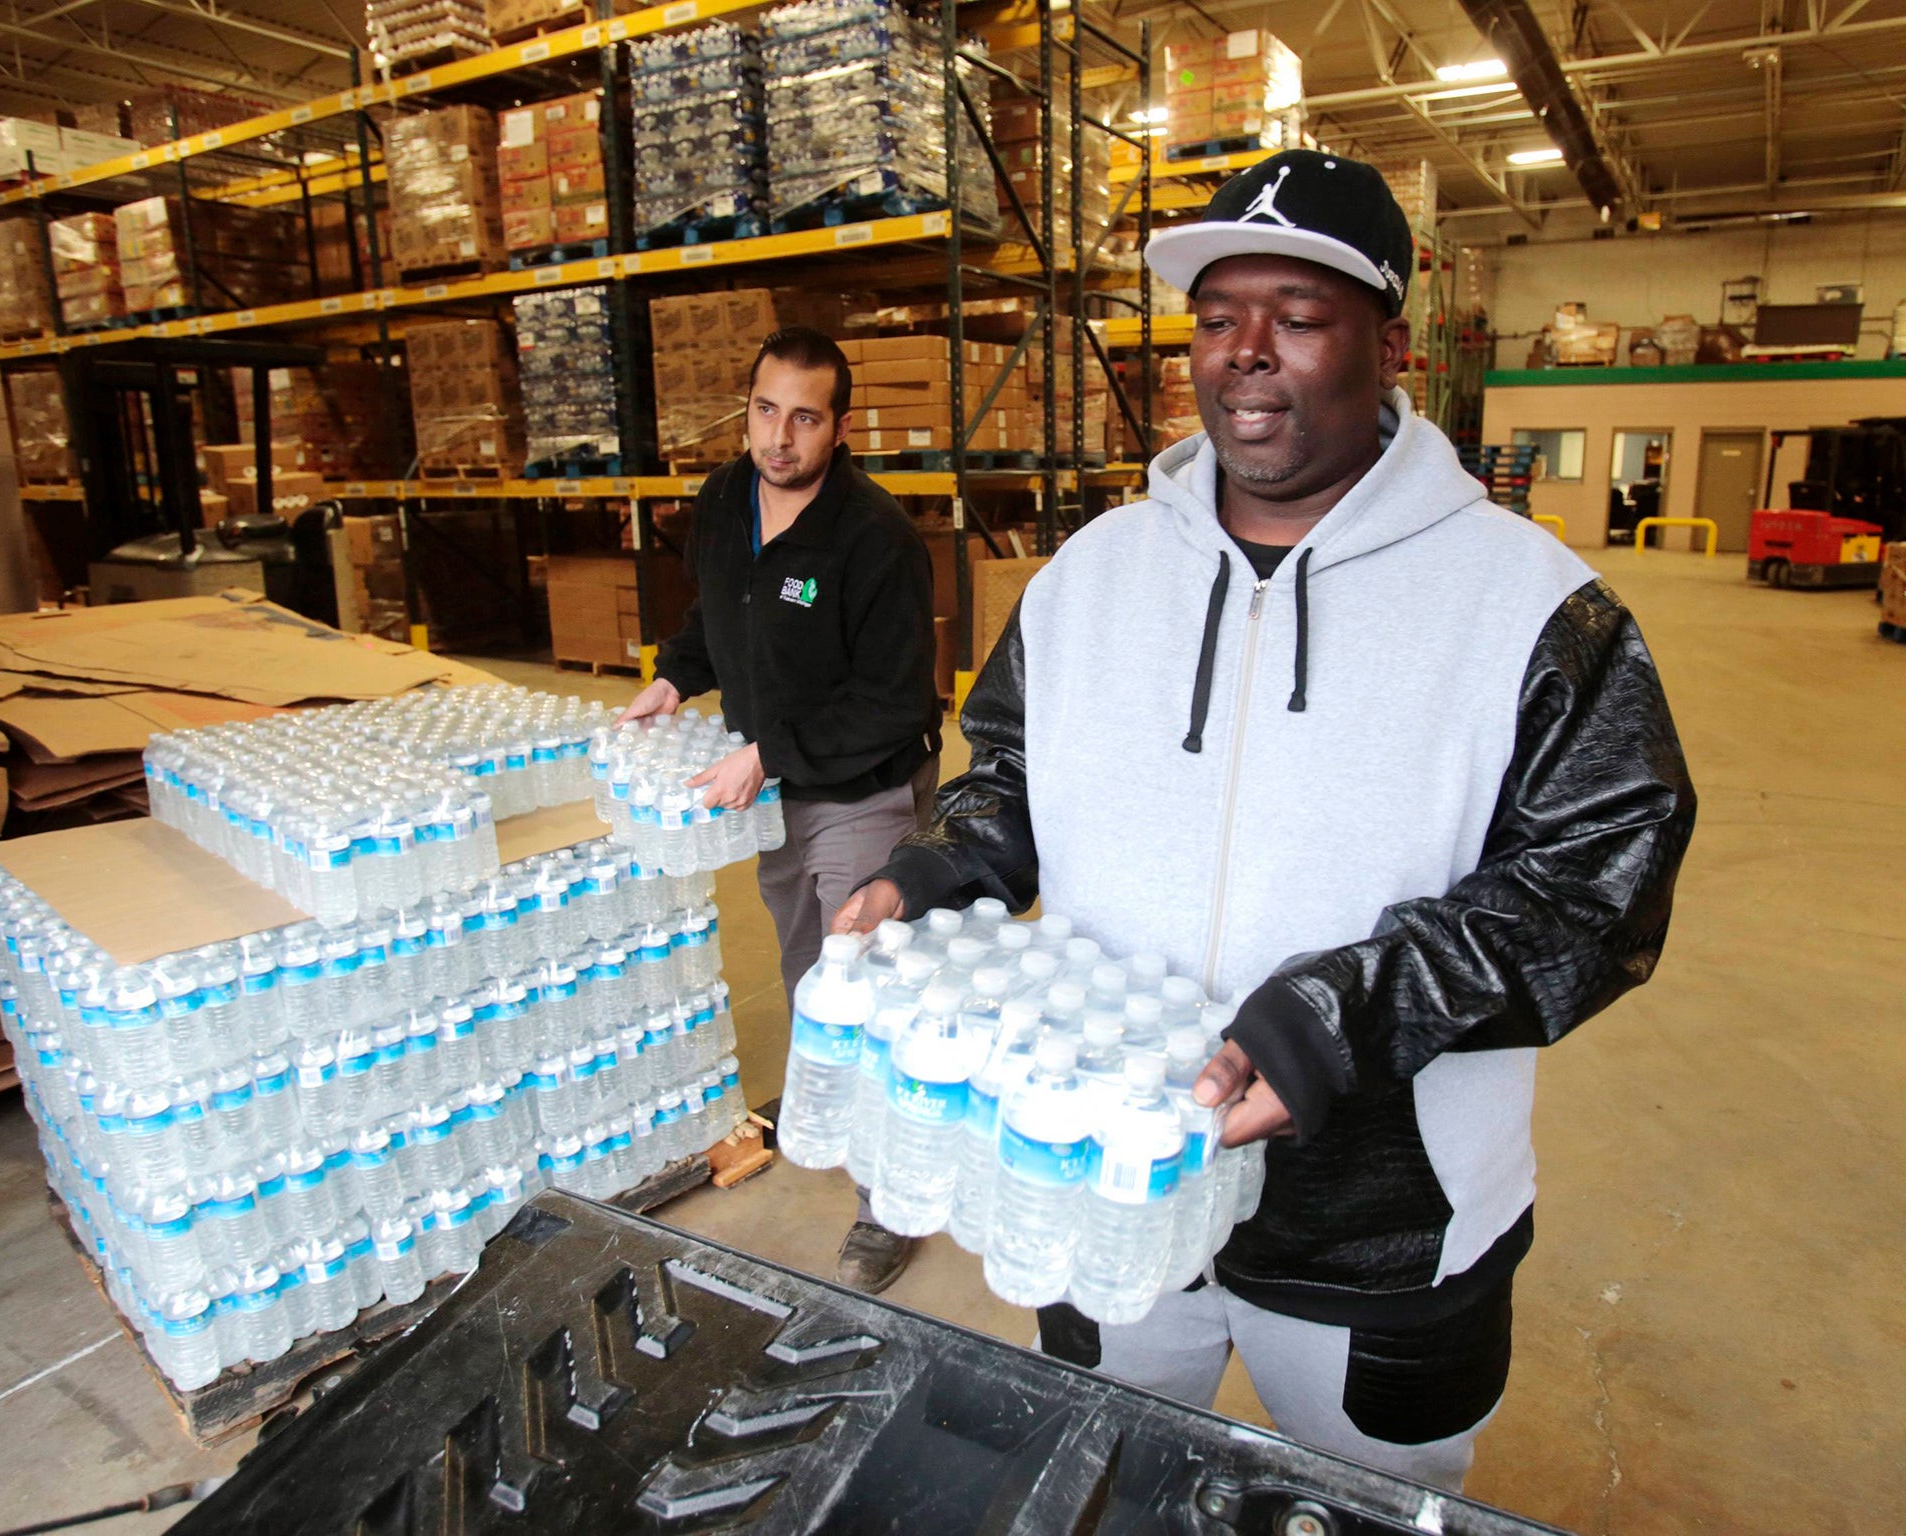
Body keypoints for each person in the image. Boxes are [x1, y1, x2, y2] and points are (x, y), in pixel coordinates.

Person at [831, 150, 1695, 1489]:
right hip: (1109, 1165)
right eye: (1218, 317)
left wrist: (1343, 1016)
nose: (1246, 354)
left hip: (1384, 1227)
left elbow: (1597, 890)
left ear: (1390, 339)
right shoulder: (1092, 576)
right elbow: (1005, 768)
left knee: (1369, 1504)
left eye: (1296, 315)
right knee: (1106, 1471)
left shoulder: (1531, 605)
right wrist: (949, 867)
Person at [619, 325, 943, 1294]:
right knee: (808, 980)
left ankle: (888, 1204)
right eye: (765, 410)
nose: (779, 437)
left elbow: (896, 701)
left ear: (837, 427)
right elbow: (717, 616)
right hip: (773, 794)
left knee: (864, 994)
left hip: (861, 791)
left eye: (804, 418)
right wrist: (674, 680)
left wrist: (766, 751)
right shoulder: (722, 502)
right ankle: (852, 1134)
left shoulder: (874, 539)